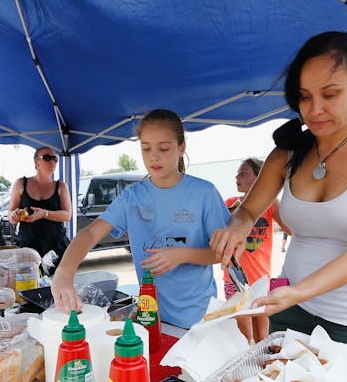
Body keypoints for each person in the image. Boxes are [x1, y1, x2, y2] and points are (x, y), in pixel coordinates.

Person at [210, 31, 347, 351]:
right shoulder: (287, 153)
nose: (314, 110)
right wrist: (235, 230)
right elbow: (248, 211)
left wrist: (298, 292)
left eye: (330, 94)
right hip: (289, 307)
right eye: (305, 97)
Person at [52, 109, 230, 328]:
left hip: (199, 318)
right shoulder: (131, 197)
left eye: (164, 148)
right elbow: (89, 234)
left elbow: (222, 253)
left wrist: (183, 254)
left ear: (182, 147)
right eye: (146, 148)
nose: (154, 156)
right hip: (151, 317)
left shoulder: (204, 193)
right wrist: (63, 273)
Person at [224, 158, 291, 343]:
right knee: (242, 339)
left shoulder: (270, 206)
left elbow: (289, 229)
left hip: (261, 281)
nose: (237, 177)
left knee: (263, 338)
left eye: (243, 173)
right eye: (237, 173)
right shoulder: (230, 203)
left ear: (260, 177)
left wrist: (270, 191)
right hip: (235, 280)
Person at [7, 147, 72, 267]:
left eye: (55, 158)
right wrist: (14, 216)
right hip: (28, 248)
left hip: (56, 247)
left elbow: (67, 215)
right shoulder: (21, 183)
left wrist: (44, 213)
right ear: (36, 162)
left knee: (57, 285)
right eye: (47, 158)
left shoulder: (61, 186)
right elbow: (11, 213)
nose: (52, 161)